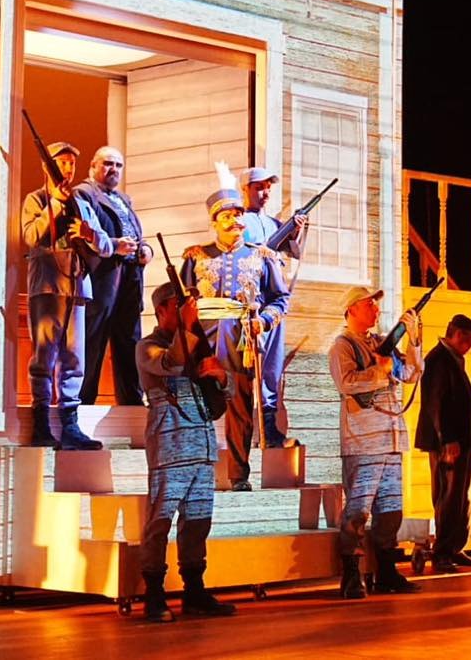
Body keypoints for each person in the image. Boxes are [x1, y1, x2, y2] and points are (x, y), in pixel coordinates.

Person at [135, 281, 237, 622]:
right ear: (161, 310)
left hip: (203, 447)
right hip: (171, 447)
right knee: (160, 521)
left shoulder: (196, 343)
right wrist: (187, 326)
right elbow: (171, 362)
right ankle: (154, 594)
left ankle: (194, 590)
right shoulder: (148, 346)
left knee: (198, 522)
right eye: (178, 305)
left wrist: (221, 376)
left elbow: (225, 391)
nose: (187, 310)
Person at [180, 179, 290, 491]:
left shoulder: (263, 257)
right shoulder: (196, 257)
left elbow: (280, 299)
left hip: (241, 342)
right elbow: (181, 299)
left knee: (240, 409)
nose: (234, 221)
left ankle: (238, 475)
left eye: (238, 214)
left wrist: (263, 321)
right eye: (226, 216)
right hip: (202, 342)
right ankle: (193, 472)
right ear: (214, 222)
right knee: (195, 408)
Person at [328, 285, 423, 598]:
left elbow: (410, 374)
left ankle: (386, 572)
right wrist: (379, 372)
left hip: (390, 439)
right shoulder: (342, 346)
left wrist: (414, 340)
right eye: (369, 304)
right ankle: (351, 575)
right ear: (352, 309)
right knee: (357, 511)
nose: (376, 309)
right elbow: (346, 383)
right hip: (363, 442)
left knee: (390, 510)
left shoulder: (381, 343)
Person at [22, 140, 113, 450]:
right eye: (62, 162)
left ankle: (70, 424)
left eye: (72, 163)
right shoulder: (36, 200)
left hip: (77, 285)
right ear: (48, 166)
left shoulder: (83, 202)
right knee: (44, 355)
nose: (68, 168)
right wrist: (57, 205)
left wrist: (88, 234)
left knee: (74, 357)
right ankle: (41, 422)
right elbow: (31, 236)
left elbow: (106, 245)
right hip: (47, 286)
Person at [76, 145, 153, 406]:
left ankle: (131, 402)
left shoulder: (123, 199)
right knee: (93, 340)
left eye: (118, 165)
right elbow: (84, 235)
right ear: (93, 166)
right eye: (108, 163)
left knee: (129, 340)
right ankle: (83, 402)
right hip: (103, 278)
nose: (114, 169)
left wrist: (145, 249)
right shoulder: (84, 193)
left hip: (130, 277)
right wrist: (114, 245)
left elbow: (135, 233)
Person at [237, 165, 307, 448]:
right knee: (247, 361)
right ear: (245, 189)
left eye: (267, 188)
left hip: (274, 298)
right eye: (259, 187)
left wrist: (296, 230)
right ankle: (243, 429)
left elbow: (294, 251)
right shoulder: (240, 221)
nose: (264, 193)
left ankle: (268, 426)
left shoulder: (275, 223)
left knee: (272, 364)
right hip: (251, 296)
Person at [415, 312, 471, 572]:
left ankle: (455, 547)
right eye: (470, 339)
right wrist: (448, 439)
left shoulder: (451, 359)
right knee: (449, 496)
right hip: (448, 443)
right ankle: (443, 551)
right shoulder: (438, 360)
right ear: (457, 336)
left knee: (462, 497)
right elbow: (437, 403)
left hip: (461, 442)